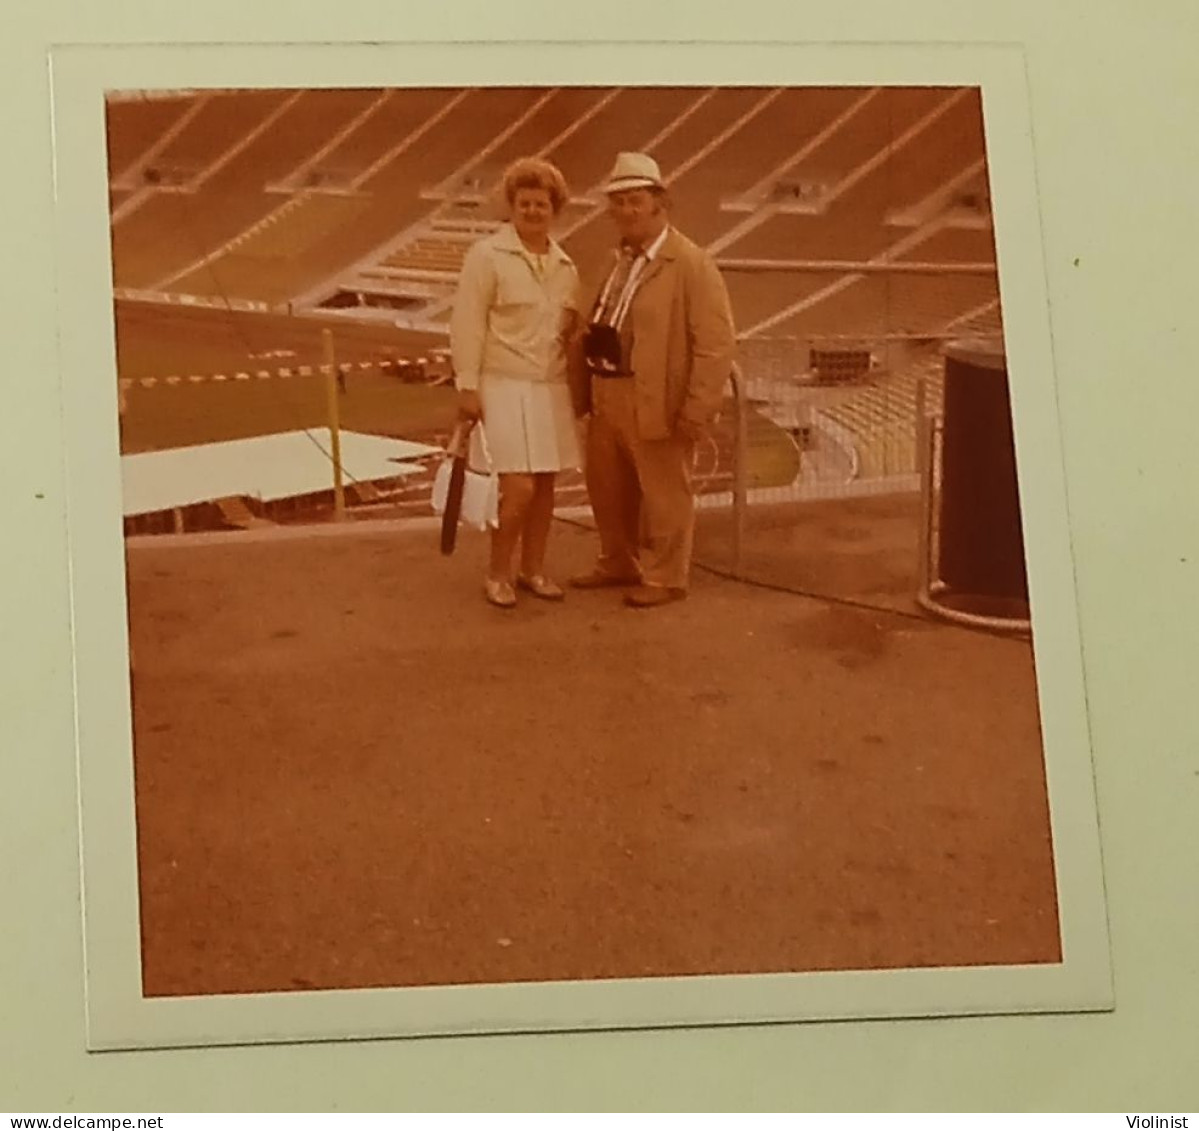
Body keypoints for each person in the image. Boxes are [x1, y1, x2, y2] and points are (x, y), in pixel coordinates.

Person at [567, 152, 737, 608]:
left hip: (655, 395)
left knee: (665, 494)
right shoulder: (614, 261)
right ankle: (618, 560)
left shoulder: (691, 264)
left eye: (634, 200)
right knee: (607, 487)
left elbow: (715, 343)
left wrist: (698, 408)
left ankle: (666, 576)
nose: (625, 210)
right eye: (618, 201)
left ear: (660, 202)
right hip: (606, 390)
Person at [449, 156, 582, 608]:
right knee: (518, 487)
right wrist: (468, 386)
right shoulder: (486, 257)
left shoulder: (567, 267)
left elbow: (566, 331)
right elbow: (467, 323)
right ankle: (498, 573)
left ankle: (534, 570)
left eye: (541, 204)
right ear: (512, 206)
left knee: (545, 487)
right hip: (503, 384)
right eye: (523, 203)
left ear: (554, 209)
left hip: (549, 387)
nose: (531, 211)